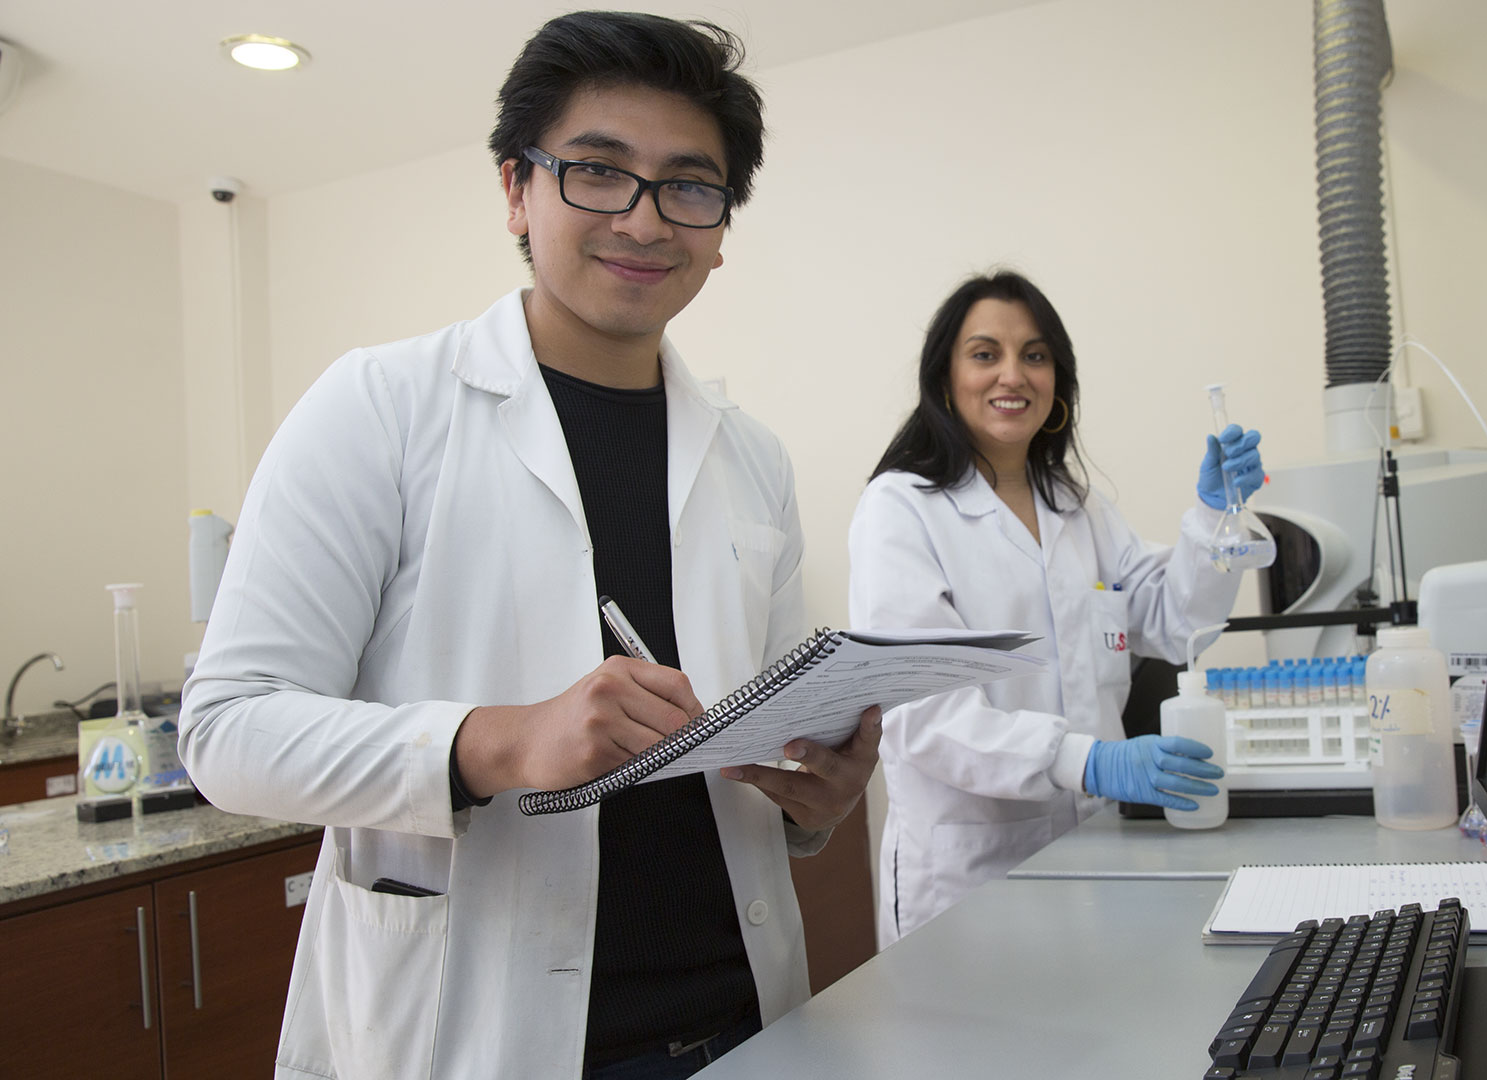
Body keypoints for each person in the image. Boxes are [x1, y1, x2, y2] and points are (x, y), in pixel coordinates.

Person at [180, 13, 878, 1079]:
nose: (645, 219)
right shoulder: (379, 407)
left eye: (690, 185)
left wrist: (811, 802)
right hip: (472, 1034)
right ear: (517, 188)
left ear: (723, 225)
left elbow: (752, 752)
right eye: (598, 171)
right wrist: (497, 742)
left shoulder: (753, 459)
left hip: (743, 1019)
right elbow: (227, 732)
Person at [847, 271, 1267, 945]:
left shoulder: (1079, 508)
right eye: (985, 354)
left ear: (1058, 381)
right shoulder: (901, 508)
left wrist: (1216, 515)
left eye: (1035, 355)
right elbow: (918, 716)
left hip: (1094, 853)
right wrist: (1087, 761)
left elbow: (1175, 622)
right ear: (946, 378)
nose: (1013, 374)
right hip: (966, 880)